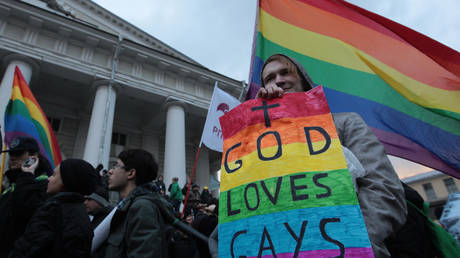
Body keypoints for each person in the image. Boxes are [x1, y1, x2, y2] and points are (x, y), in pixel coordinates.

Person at [256, 54, 407, 257]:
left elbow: (384, 190)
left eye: (285, 72)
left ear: (302, 79)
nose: (279, 80)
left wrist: (347, 241)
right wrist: (257, 125)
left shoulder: (346, 124)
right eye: (270, 78)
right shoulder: (259, 143)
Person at [9, 158, 98, 257]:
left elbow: (28, 249)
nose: (49, 178)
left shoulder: (53, 211)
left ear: (66, 181)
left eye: (54, 175)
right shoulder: (78, 212)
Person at [105, 149, 172, 258]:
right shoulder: (130, 206)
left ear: (131, 173)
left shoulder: (142, 208)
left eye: (116, 166)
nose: (110, 171)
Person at [0, 137, 52, 257]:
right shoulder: (13, 182)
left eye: (18, 153)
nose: (13, 157)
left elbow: (23, 210)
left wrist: (27, 173)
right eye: (11, 153)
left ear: (33, 157)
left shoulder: (44, 185)